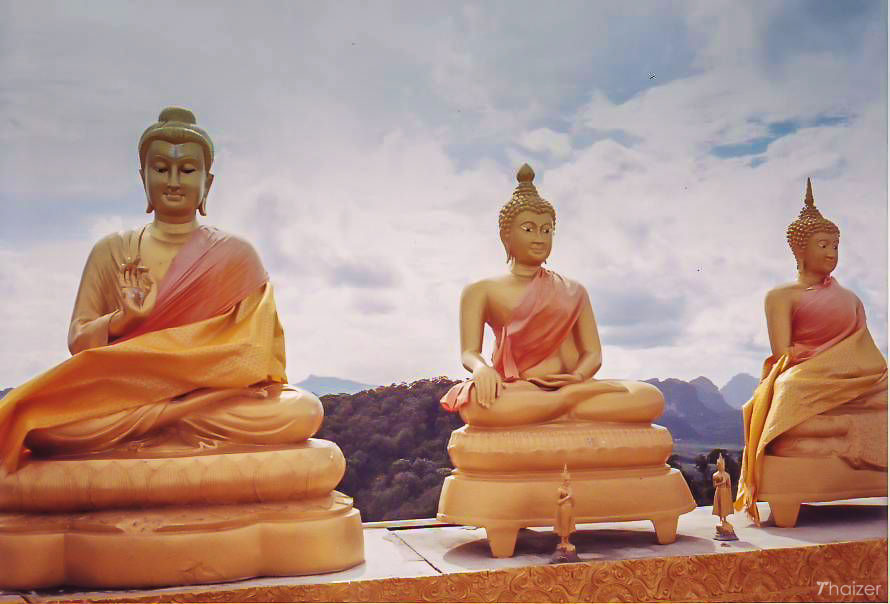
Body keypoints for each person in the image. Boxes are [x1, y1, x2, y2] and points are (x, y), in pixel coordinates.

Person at [0, 107, 323, 472]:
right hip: (125, 397)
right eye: (160, 169)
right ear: (143, 178)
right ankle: (170, 421)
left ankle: (167, 421)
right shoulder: (113, 251)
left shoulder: (236, 255)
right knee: (42, 425)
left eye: (187, 170)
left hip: (210, 401)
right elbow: (79, 342)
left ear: (207, 182)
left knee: (304, 411)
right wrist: (123, 320)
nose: (173, 181)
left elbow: (257, 353)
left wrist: (193, 381)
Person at [440, 163, 664, 427]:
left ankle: (562, 404)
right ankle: (569, 405)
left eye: (547, 230)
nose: (539, 238)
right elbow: (469, 352)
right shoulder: (481, 290)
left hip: (572, 384)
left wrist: (578, 378)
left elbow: (593, 353)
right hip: (520, 389)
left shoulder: (573, 290)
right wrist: (482, 369)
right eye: (528, 229)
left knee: (650, 397)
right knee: (478, 404)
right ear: (506, 235)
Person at [735, 178, 887, 523]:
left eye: (835, 246)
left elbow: (864, 350)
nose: (832, 253)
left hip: (858, 378)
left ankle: (845, 433)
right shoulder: (781, 296)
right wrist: (824, 359)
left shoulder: (850, 299)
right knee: (788, 390)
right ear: (800, 249)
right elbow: (783, 351)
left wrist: (848, 366)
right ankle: (848, 432)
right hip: (810, 374)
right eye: (823, 245)